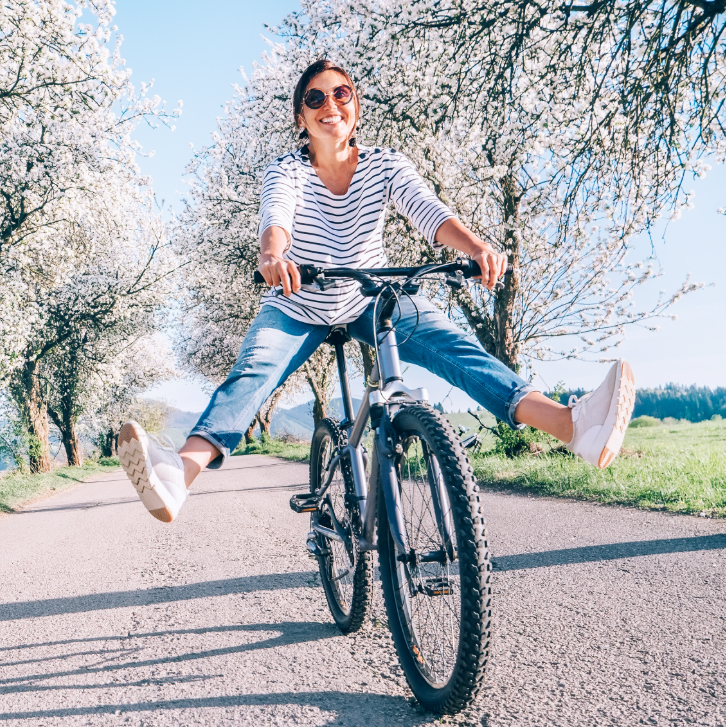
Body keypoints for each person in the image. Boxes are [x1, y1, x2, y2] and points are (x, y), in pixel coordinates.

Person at [117, 60, 635, 523]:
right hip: (299, 302)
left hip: (371, 296)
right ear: (302, 117)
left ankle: (572, 426)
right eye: (315, 98)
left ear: (355, 107)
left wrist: (476, 247)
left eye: (341, 94)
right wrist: (273, 256)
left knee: (457, 349)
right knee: (252, 373)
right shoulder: (288, 170)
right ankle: (178, 475)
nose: (330, 105)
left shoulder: (386, 164)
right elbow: (276, 219)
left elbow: (427, 210)